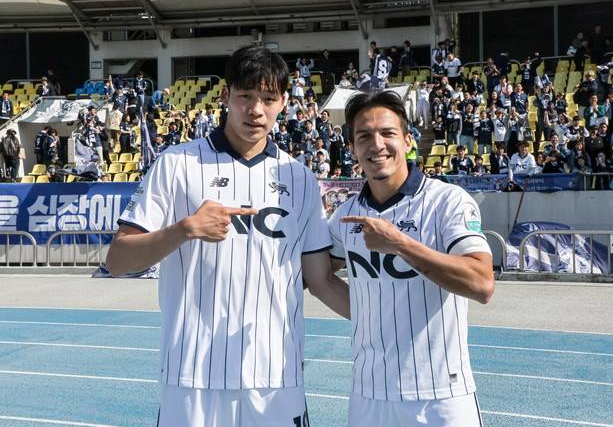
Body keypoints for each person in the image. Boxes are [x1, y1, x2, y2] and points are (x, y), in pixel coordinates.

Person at [106, 46, 349, 427]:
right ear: (225, 96)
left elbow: (319, 279)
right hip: (191, 375)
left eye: (268, 99)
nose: (256, 110)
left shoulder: (299, 177)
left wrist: (386, 317)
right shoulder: (177, 164)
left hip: (275, 376)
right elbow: (118, 260)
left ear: (284, 103)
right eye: (245, 96)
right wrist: (184, 229)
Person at [327, 90, 493, 427]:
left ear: (407, 140)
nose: (377, 145)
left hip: (440, 394)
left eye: (387, 133)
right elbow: (318, 277)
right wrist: (369, 312)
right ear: (353, 148)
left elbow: (481, 283)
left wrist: (401, 245)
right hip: (369, 393)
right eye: (364, 137)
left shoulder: (447, 201)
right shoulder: (345, 215)